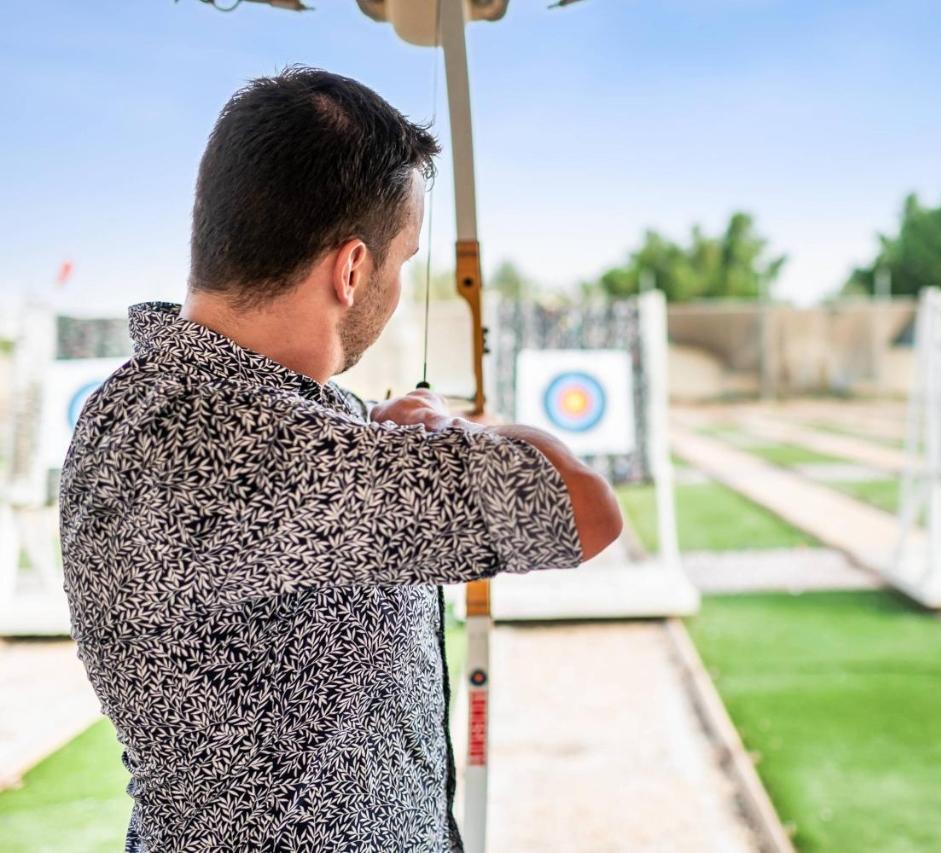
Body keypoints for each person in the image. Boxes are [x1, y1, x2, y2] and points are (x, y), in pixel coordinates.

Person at [58, 65, 622, 852]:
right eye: (403, 259)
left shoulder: (145, 401)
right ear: (352, 269)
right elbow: (583, 505)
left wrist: (381, 441)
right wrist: (451, 424)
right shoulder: (257, 446)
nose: (397, 287)